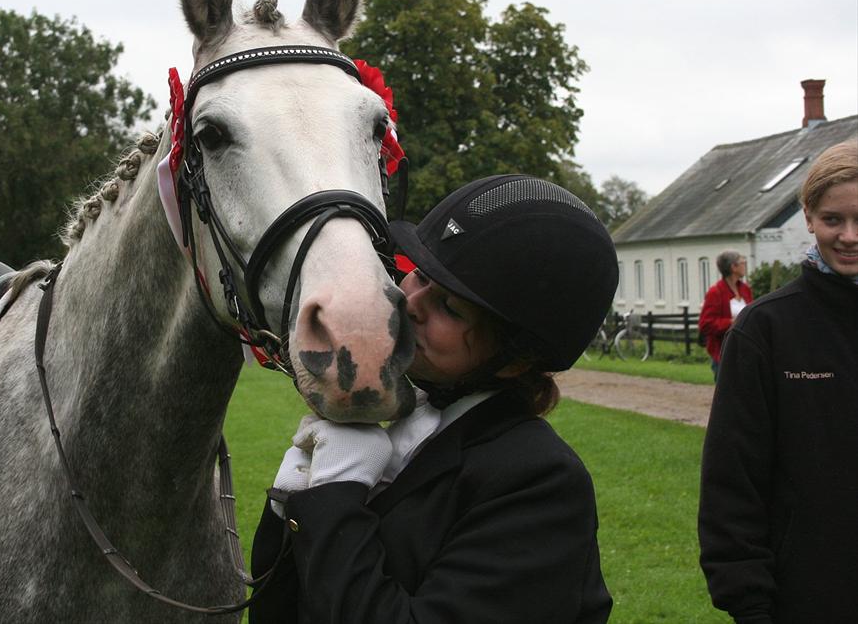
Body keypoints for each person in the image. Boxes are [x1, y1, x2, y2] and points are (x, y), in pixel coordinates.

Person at [250, 175, 618, 623]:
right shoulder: (404, 419)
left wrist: (335, 499)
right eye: (419, 275)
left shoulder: (539, 483)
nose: (410, 303)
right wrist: (288, 508)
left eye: (450, 307)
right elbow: (276, 610)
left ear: (514, 360)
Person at [699, 139, 858, 624]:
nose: (850, 236)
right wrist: (749, 603)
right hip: (809, 597)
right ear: (808, 217)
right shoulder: (766, 330)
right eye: (834, 220)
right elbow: (732, 481)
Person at [697, 250, 753, 383]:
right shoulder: (715, 292)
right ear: (733, 267)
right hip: (723, 352)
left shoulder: (745, 289)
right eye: (741, 261)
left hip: (745, 351)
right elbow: (705, 324)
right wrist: (732, 322)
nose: (744, 264)